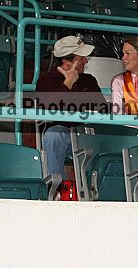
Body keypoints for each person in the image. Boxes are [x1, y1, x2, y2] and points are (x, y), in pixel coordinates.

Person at [35, 36, 106, 179]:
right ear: (67, 62)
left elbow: (103, 109)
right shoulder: (46, 81)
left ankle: (99, 186)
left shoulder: (89, 80)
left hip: (89, 133)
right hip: (65, 135)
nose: (86, 61)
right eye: (82, 58)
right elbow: (49, 111)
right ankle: (56, 185)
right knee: (54, 134)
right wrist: (68, 83)